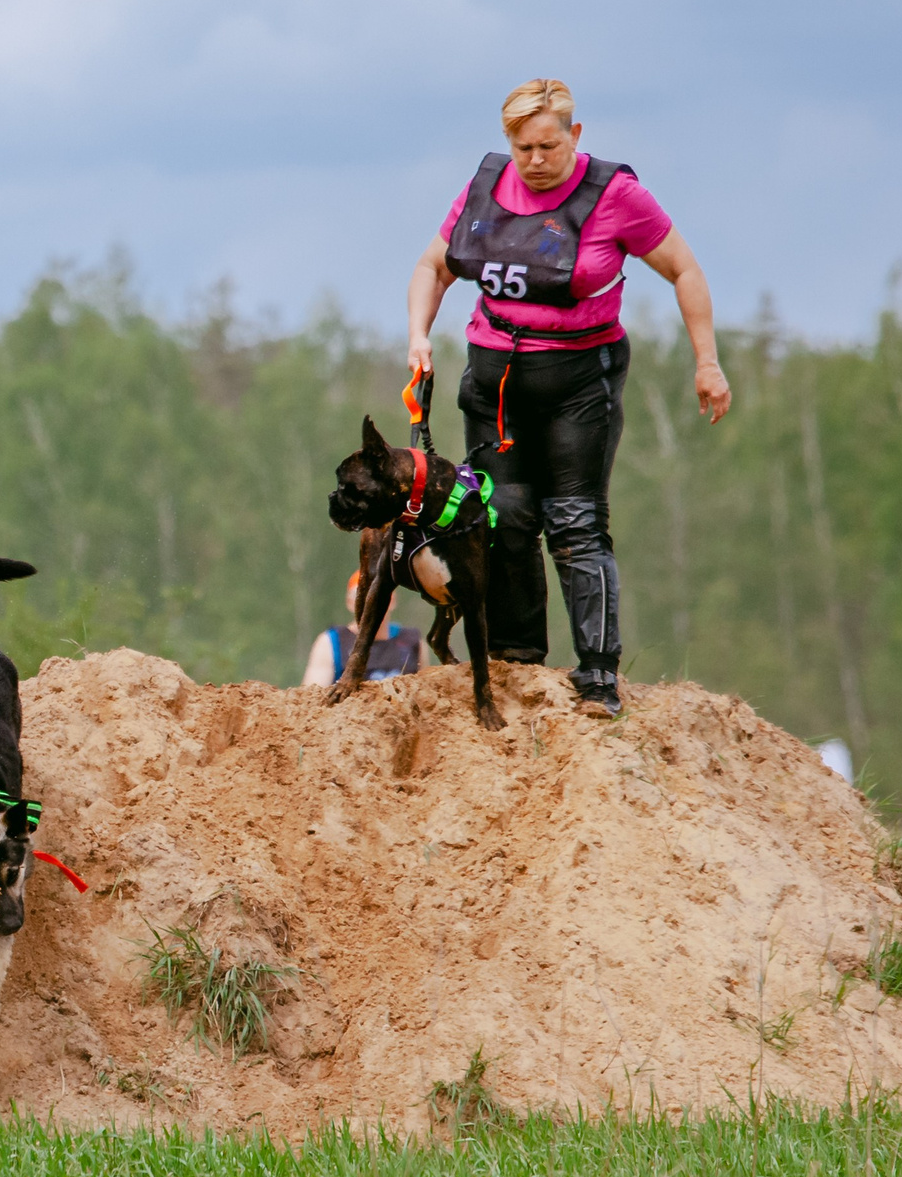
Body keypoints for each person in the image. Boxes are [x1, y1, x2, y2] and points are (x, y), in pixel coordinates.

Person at [404, 77, 731, 717]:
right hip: (495, 380)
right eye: (523, 147)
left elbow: (683, 268)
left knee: (575, 522)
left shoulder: (616, 196)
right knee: (504, 519)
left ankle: (598, 678)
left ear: (574, 136)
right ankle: (515, 663)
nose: (535, 160)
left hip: (580, 380)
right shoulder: (485, 190)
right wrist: (418, 335)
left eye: (548, 146)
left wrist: (707, 361)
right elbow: (432, 267)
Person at [301, 571, 424, 686]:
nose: (371, 604)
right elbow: (312, 697)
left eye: (380, 595)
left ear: (392, 601)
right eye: (361, 597)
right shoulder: (332, 642)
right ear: (350, 603)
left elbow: (426, 695)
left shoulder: (412, 642)